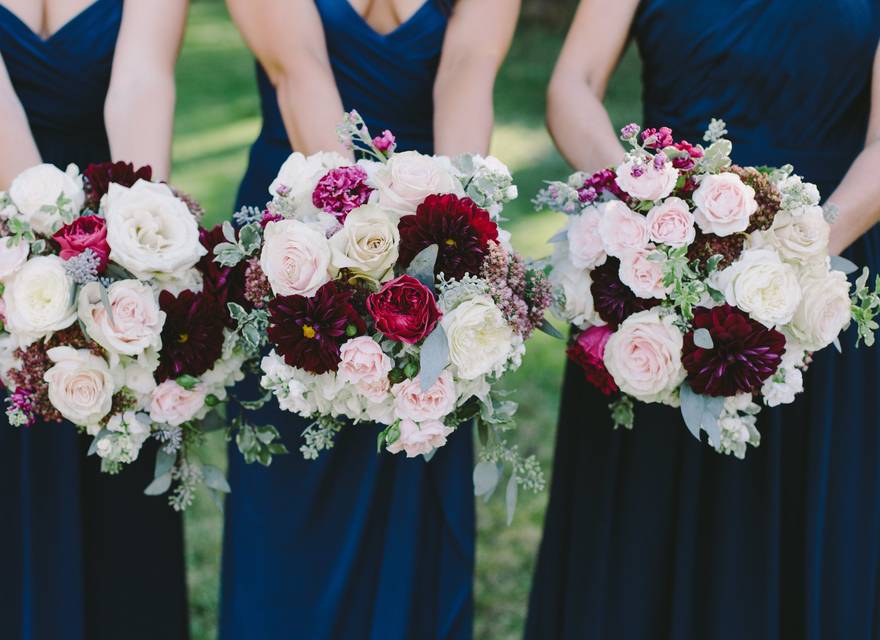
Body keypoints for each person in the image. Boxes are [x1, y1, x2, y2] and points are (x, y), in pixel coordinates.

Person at [526, 1, 880, 638]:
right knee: (643, 520)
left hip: (820, 266)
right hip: (651, 270)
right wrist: (637, 213)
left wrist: (799, 254)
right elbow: (570, 86)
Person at [218, 1, 518, 637]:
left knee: (418, 476)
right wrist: (353, 243)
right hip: (300, 234)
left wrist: (451, 226)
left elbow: (469, 65)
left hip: (430, 231)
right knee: (294, 507)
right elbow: (296, 69)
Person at [0, 1, 190, 638]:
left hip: (114, 210)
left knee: (116, 475)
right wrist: (55, 281)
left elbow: (141, 81)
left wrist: (139, 256)